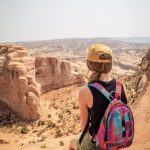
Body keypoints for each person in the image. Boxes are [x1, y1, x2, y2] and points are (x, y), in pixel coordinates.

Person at [69, 44, 128, 150]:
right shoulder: (121, 86)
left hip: (97, 143)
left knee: (72, 143)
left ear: (90, 65)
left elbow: (84, 125)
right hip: (117, 140)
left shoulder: (85, 91)